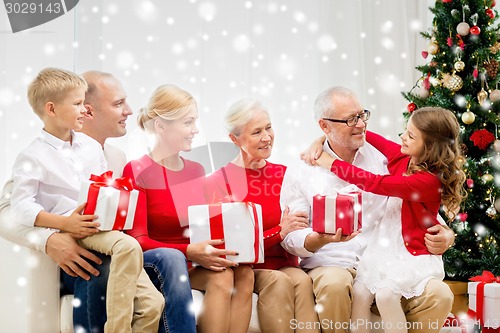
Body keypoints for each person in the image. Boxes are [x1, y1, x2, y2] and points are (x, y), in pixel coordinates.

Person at [0, 70, 197, 333]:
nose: (129, 110)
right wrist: (49, 239)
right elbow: (8, 210)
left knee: (168, 260)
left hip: (111, 242)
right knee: (101, 263)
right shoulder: (36, 156)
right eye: (118, 104)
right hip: (80, 249)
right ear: (88, 111)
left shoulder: (115, 156)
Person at [280, 86, 455, 333]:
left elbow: (413, 205)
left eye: (362, 115)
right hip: (334, 262)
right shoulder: (302, 169)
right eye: (352, 119)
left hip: (386, 259)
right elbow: (290, 236)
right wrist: (316, 240)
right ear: (324, 125)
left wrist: (447, 233)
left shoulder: (387, 159)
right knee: (335, 284)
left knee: (440, 294)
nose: (361, 124)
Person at [122, 84, 254, 333]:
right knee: (223, 277)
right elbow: (137, 241)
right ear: (161, 126)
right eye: (188, 122)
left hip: (193, 262)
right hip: (161, 267)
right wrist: (189, 251)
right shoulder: (138, 170)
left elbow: (199, 225)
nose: (195, 130)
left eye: (195, 122)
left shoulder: (196, 170)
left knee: (245, 274)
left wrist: (229, 214)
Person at [203, 98, 325, 333]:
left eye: (268, 127)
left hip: (284, 262)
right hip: (245, 268)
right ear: (235, 139)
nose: (267, 137)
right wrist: (279, 231)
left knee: (301, 280)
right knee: (279, 281)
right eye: (256, 132)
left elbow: (298, 227)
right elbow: (232, 247)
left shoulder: (284, 175)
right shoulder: (219, 182)